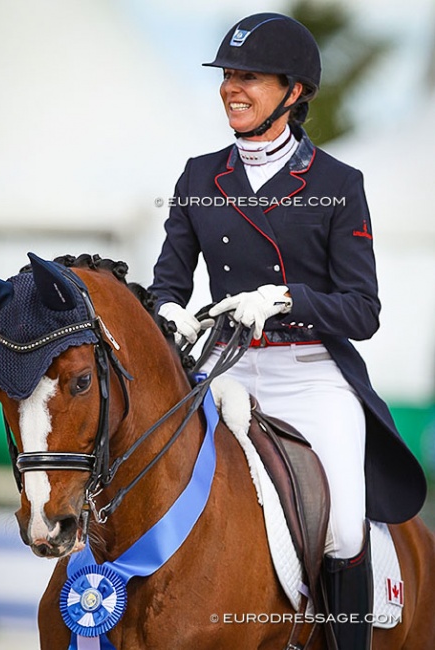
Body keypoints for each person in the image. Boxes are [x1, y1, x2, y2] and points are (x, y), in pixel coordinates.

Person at [150, 12, 427, 650]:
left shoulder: (336, 185)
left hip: (309, 379)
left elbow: (363, 309)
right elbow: (170, 280)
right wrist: (165, 311)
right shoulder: (199, 177)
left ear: (293, 91)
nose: (230, 88)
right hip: (224, 373)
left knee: (345, 531)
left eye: (248, 76)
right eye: (227, 76)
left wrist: (284, 300)